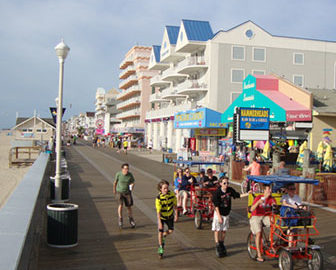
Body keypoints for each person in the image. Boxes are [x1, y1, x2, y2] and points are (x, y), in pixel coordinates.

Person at [212, 176, 250, 257]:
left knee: (224, 230)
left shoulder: (229, 190)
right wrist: (219, 216)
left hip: (226, 213)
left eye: (227, 183)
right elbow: (216, 205)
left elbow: (237, 195)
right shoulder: (217, 192)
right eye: (224, 183)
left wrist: (247, 194)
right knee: (217, 229)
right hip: (219, 212)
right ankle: (217, 244)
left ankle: (222, 243)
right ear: (220, 184)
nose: (226, 185)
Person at [249, 185, 276, 262]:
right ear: (264, 191)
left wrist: (275, 206)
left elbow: (275, 207)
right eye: (268, 190)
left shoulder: (272, 199)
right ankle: (258, 254)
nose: (269, 191)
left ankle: (270, 240)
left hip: (265, 216)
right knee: (258, 232)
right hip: (255, 216)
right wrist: (258, 202)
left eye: (270, 190)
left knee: (274, 223)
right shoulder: (259, 197)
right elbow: (251, 209)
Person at [155, 180, 178, 258]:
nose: (166, 190)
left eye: (167, 188)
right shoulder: (158, 198)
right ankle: (161, 247)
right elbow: (158, 212)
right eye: (164, 188)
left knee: (171, 230)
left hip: (170, 215)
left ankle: (164, 235)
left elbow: (175, 205)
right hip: (162, 216)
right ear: (160, 189)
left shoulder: (171, 195)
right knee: (160, 232)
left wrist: (176, 215)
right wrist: (159, 222)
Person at [113, 163, 136, 229]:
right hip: (119, 191)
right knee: (120, 205)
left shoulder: (130, 175)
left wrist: (132, 186)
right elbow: (115, 182)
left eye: (127, 169)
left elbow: (133, 182)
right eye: (125, 169)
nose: (127, 170)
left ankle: (131, 219)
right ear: (122, 169)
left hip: (127, 192)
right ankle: (120, 219)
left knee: (129, 206)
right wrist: (114, 190)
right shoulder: (118, 174)